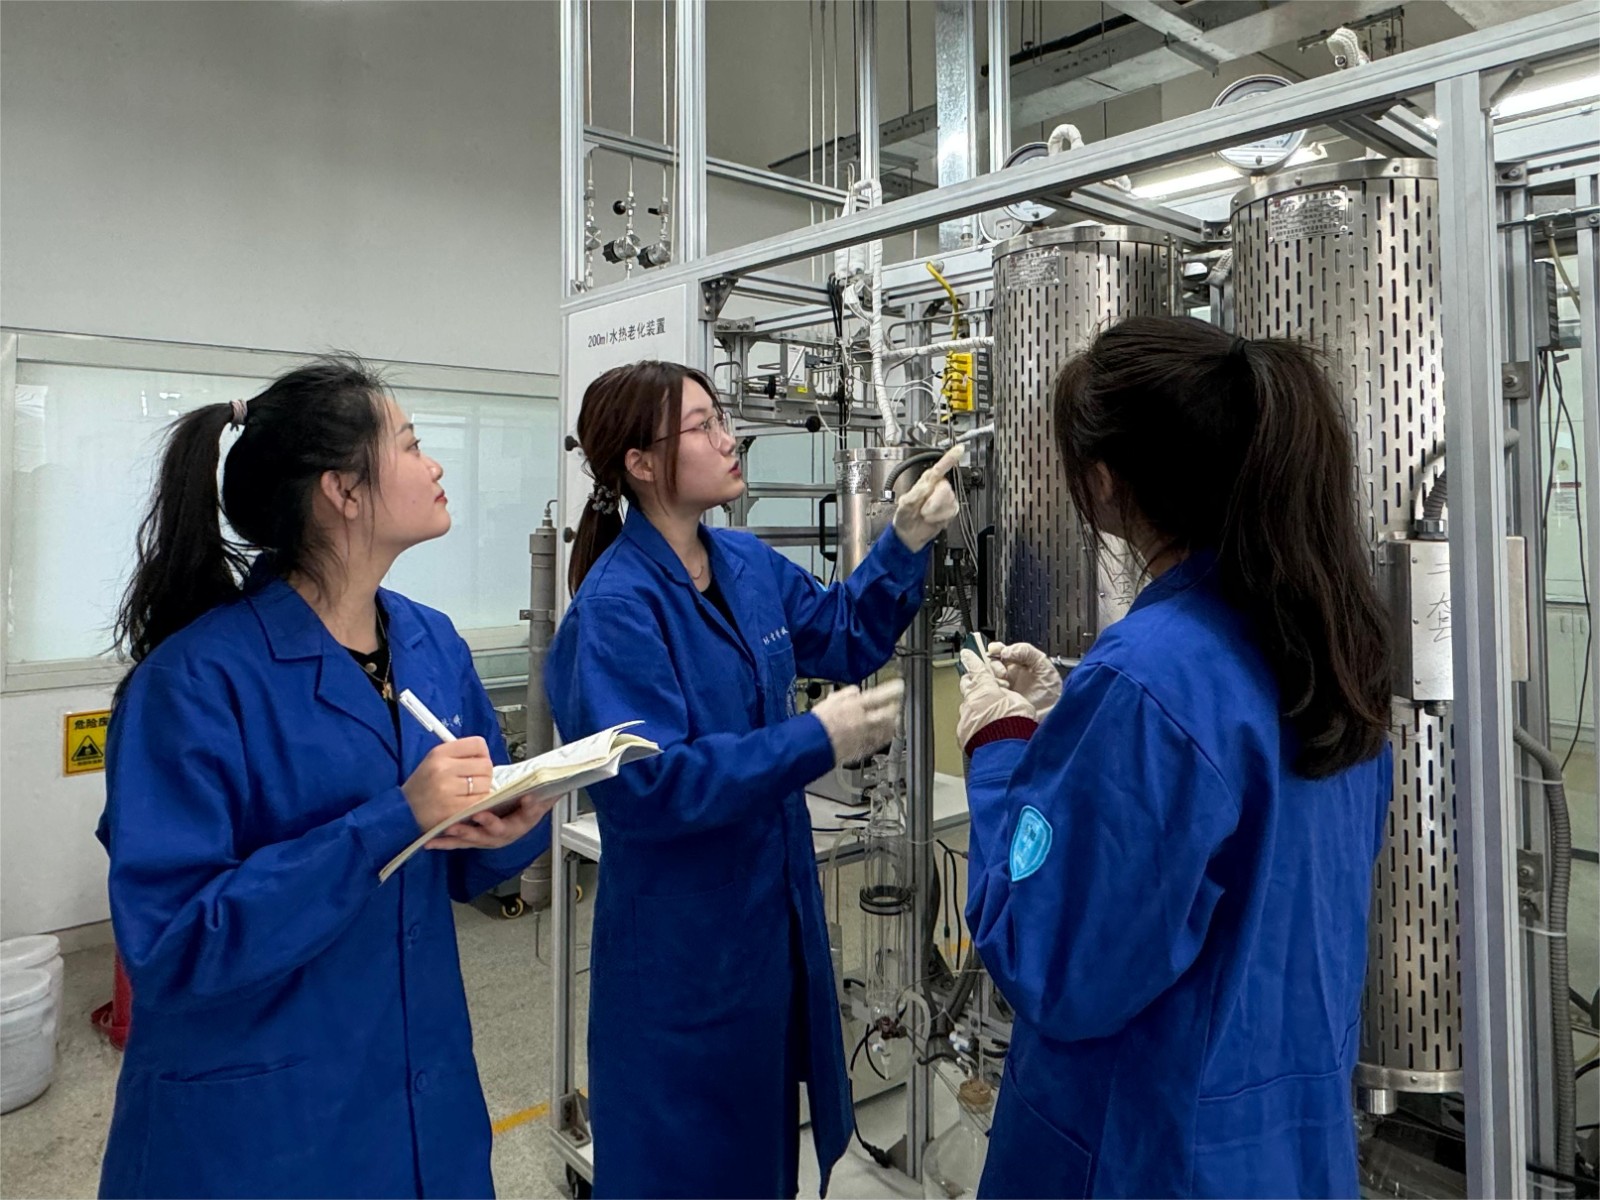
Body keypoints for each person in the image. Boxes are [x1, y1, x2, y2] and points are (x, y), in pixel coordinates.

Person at [955, 316, 1394, 1198]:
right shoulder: (1328, 646)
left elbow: (1050, 960)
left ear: (1103, 481)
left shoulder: (1147, 675)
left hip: (1147, 1153)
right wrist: (1071, 730)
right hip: (1286, 1144)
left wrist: (1001, 747)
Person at [98, 357, 553, 1199]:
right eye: (411, 445)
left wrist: (507, 827)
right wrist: (391, 820)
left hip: (419, 1090)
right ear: (344, 491)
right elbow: (169, 946)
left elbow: (459, 867)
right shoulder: (194, 684)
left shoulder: (431, 643)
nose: (435, 465)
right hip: (262, 1125)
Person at [544, 360, 961, 1198]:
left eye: (721, 418)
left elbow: (843, 632)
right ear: (640, 463)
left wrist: (905, 539)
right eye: (702, 426)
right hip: (682, 958)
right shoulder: (615, 610)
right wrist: (815, 738)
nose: (728, 438)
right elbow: (653, 787)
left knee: (763, 1165)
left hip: (769, 930)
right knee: (683, 1169)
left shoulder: (742, 562)